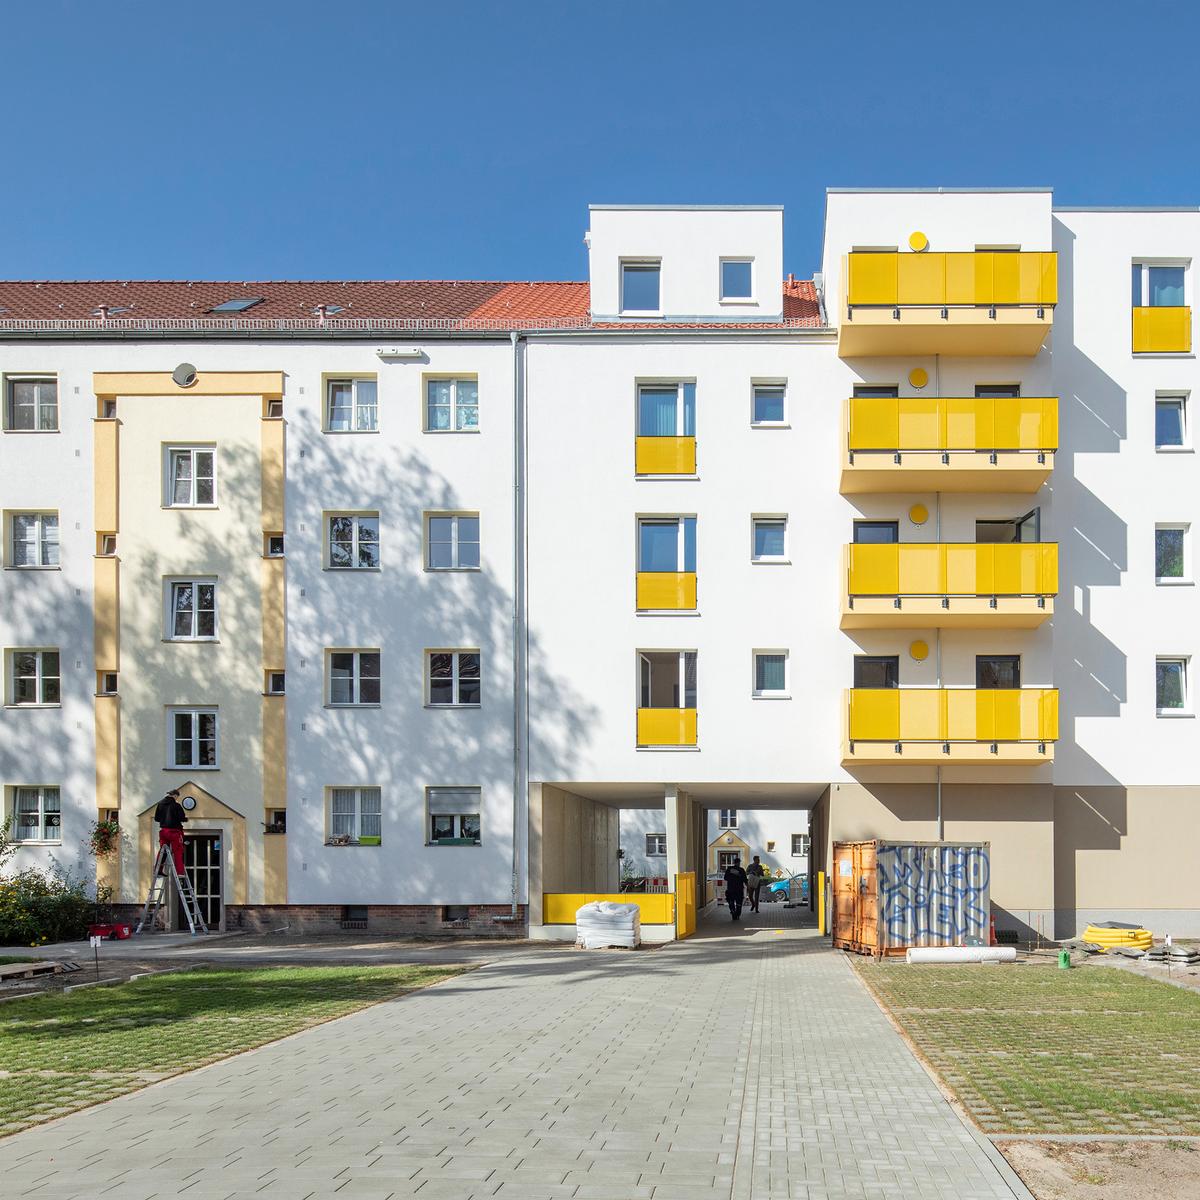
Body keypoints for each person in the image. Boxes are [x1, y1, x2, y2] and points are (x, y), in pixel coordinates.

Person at [153, 789, 188, 875]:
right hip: (174, 832)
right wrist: (185, 819)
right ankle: (180, 872)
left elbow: (156, 818)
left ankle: (158, 870)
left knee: (163, 851)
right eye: (177, 797)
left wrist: (164, 820)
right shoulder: (176, 805)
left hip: (163, 832)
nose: (177, 799)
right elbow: (181, 818)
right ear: (175, 795)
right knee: (178, 851)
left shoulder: (160, 804)